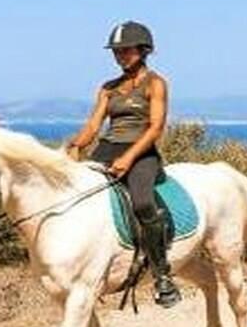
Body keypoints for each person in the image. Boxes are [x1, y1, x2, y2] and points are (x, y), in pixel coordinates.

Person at [64, 20, 183, 307]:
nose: (120, 56)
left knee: (142, 203)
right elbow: (94, 126)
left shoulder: (155, 84)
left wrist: (129, 158)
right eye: (117, 51)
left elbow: (155, 128)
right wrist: (75, 146)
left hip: (141, 153)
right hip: (107, 149)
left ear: (143, 51)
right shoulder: (108, 88)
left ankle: (162, 275)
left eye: (126, 50)